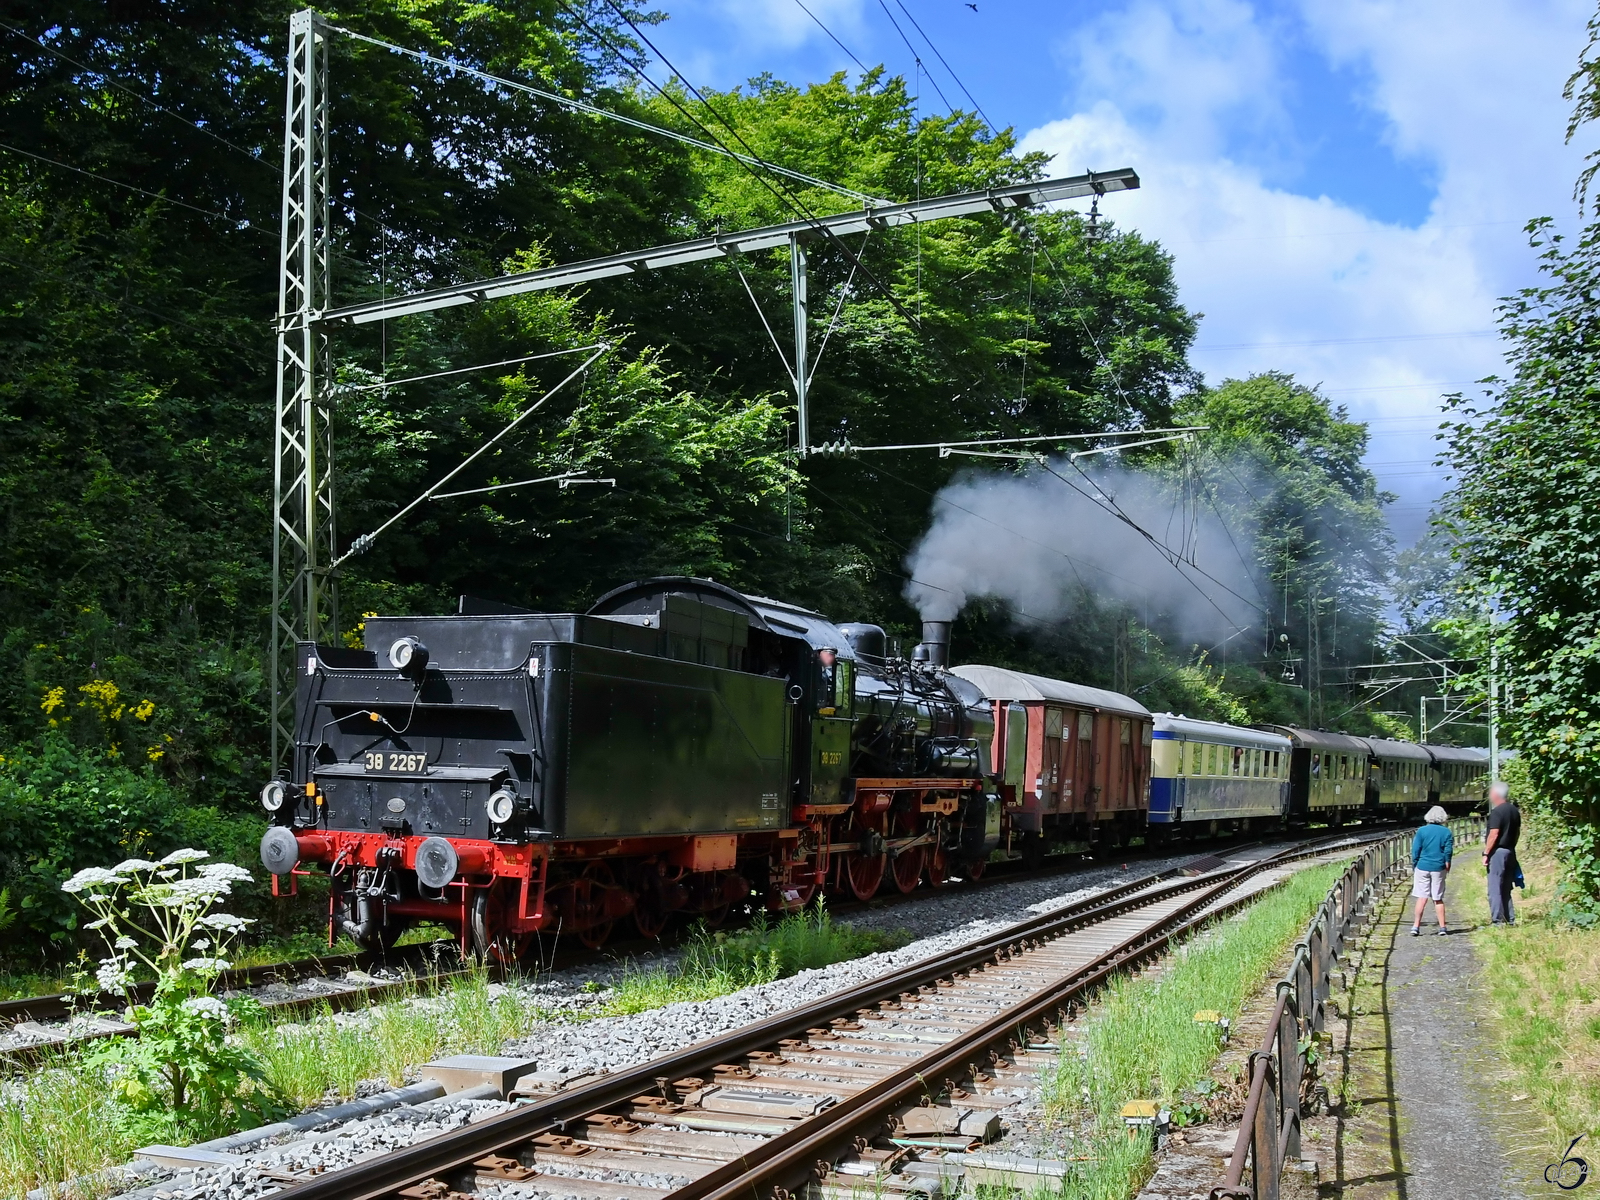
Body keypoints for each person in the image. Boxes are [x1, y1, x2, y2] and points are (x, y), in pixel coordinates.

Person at [1410, 806, 1454, 935]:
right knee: (1438, 898)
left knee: (1422, 897)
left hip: (1422, 866)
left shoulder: (1422, 831)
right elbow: (1448, 851)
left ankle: (1415, 926)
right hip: (1438, 867)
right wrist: (1447, 864)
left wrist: (1415, 864)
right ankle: (1442, 928)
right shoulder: (1446, 832)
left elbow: (1415, 850)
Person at [1484, 781, 1521, 925]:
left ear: (1495, 794)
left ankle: (1497, 921)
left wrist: (1486, 853)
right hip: (1510, 851)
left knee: (1494, 887)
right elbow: (1517, 832)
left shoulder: (1497, 812)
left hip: (1498, 852)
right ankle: (1510, 919)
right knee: (1506, 888)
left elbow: (1494, 833)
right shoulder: (1514, 811)